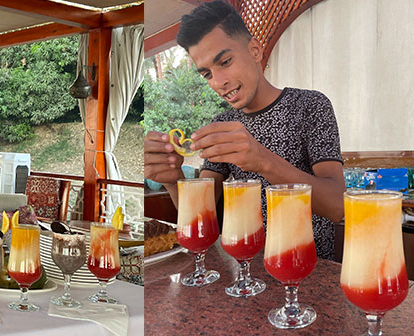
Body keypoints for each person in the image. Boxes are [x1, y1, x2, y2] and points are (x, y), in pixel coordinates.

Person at [144, 0, 345, 260]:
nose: (218, 82)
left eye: (225, 61)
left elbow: (337, 205)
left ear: (255, 50)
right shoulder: (222, 124)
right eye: (206, 74)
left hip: (308, 267)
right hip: (243, 268)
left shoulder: (310, 105)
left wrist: (263, 160)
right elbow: (199, 213)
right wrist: (173, 182)